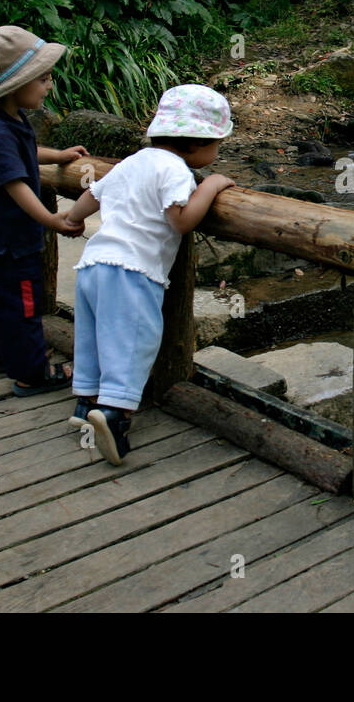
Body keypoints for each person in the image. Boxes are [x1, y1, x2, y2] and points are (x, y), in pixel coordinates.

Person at [62, 85, 235, 465]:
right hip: (132, 272)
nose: (218, 151)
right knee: (132, 343)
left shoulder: (134, 160)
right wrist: (211, 185)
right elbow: (182, 221)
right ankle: (114, 415)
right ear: (196, 142)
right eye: (217, 143)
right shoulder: (176, 170)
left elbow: (94, 194)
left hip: (94, 264)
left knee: (93, 336)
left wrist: (72, 219)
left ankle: (85, 404)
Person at [0, 25, 88, 395]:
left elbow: (23, 155)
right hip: (9, 243)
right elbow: (15, 182)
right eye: (44, 79)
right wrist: (51, 219)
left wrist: (58, 156)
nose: (49, 86)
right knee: (25, 305)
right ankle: (32, 372)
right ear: (18, 84)